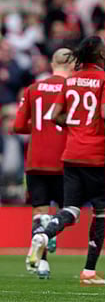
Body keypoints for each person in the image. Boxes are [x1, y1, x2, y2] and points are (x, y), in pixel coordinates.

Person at [27, 36, 105, 285]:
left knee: (72, 210)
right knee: (100, 212)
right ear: (99, 55)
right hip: (97, 156)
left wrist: (76, 125)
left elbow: (55, 115)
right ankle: (88, 271)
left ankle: (44, 234)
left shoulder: (71, 80)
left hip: (71, 154)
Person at [14, 48, 74, 279]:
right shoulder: (72, 89)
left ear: (52, 63)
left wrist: (39, 129)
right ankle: (52, 231)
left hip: (35, 160)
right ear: (72, 65)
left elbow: (18, 126)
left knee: (39, 211)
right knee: (69, 208)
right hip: (63, 159)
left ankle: (42, 265)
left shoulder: (32, 89)